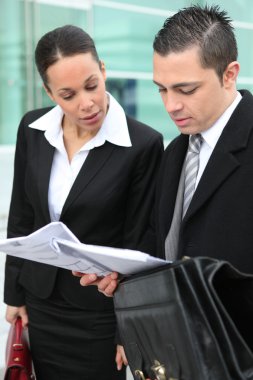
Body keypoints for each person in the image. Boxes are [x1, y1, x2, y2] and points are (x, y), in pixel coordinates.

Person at [4, 25, 163, 380]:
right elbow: (22, 214)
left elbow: (140, 242)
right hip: (41, 303)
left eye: (92, 85)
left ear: (103, 70)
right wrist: (13, 294)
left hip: (99, 315)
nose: (86, 102)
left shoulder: (142, 145)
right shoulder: (33, 128)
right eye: (68, 94)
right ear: (49, 92)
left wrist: (129, 329)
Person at [81, 4, 253, 300]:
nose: (171, 105)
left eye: (185, 90)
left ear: (229, 75)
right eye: (162, 89)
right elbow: (164, 246)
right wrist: (122, 274)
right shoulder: (175, 152)